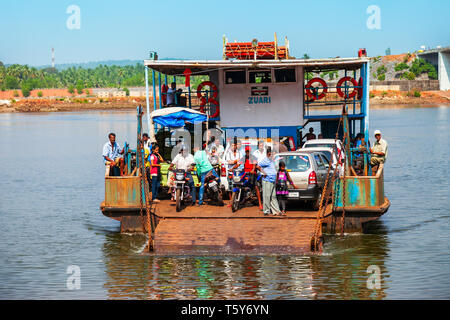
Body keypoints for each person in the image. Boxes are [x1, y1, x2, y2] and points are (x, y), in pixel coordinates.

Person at [256, 147, 281, 216]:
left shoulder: (272, 160)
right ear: (268, 154)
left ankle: (276, 211)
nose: (272, 156)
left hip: (272, 180)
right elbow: (258, 166)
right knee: (267, 196)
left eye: (273, 154)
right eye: (271, 154)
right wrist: (263, 172)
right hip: (267, 180)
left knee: (273, 196)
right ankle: (266, 211)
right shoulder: (266, 160)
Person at [240, 146, 262, 210]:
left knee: (256, 187)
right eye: (246, 151)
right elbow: (238, 164)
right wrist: (232, 168)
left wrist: (252, 169)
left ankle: (260, 204)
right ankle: (241, 199)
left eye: (248, 151)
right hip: (245, 173)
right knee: (240, 184)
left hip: (252, 174)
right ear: (245, 151)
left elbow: (254, 164)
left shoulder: (253, 157)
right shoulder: (244, 158)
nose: (247, 153)